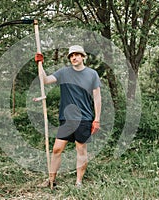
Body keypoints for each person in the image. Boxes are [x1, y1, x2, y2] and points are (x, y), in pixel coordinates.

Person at [35, 45, 101, 188]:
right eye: (71, 56)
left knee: (81, 150)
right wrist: (40, 64)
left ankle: (78, 182)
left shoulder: (92, 74)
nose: (74, 58)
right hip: (66, 119)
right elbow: (45, 80)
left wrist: (97, 119)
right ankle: (51, 180)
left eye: (77, 55)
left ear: (83, 57)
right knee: (57, 149)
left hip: (84, 118)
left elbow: (97, 97)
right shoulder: (64, 73)